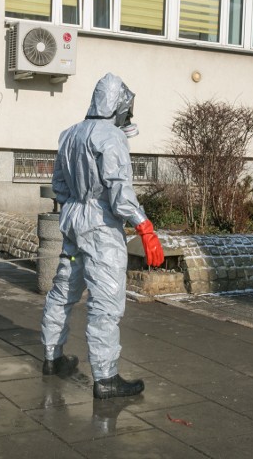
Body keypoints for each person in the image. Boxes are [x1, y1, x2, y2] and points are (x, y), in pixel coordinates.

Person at [40, 73, 165, 400]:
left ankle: (52, 358)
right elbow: (120, 193)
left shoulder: (69, 134)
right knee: (105, 301)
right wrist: (144, 225)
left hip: (73, 220)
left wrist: (76, 208)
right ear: (119, 105)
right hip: (101, 227)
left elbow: (59, 186)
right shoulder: (111, 138)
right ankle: (106, 377)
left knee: (63, 290)